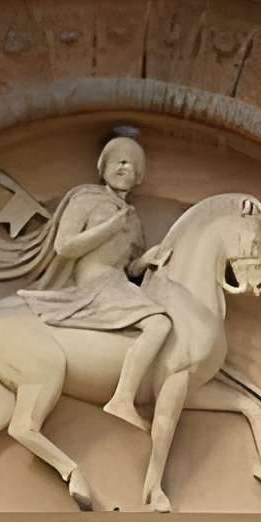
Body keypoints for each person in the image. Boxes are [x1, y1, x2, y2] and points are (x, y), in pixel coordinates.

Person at [14, 135, 173, 428]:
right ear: (103, 168)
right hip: (94, 284)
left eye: (132, 164)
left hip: (118, 284)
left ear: (139, 176)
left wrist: (145, 259)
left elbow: (128, 269)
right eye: (118, 161)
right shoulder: (86, 199)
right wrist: (108, 227)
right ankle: (122, 400)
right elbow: (65, 246)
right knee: (159, 324)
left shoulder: (134, 220)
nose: (124, 167)